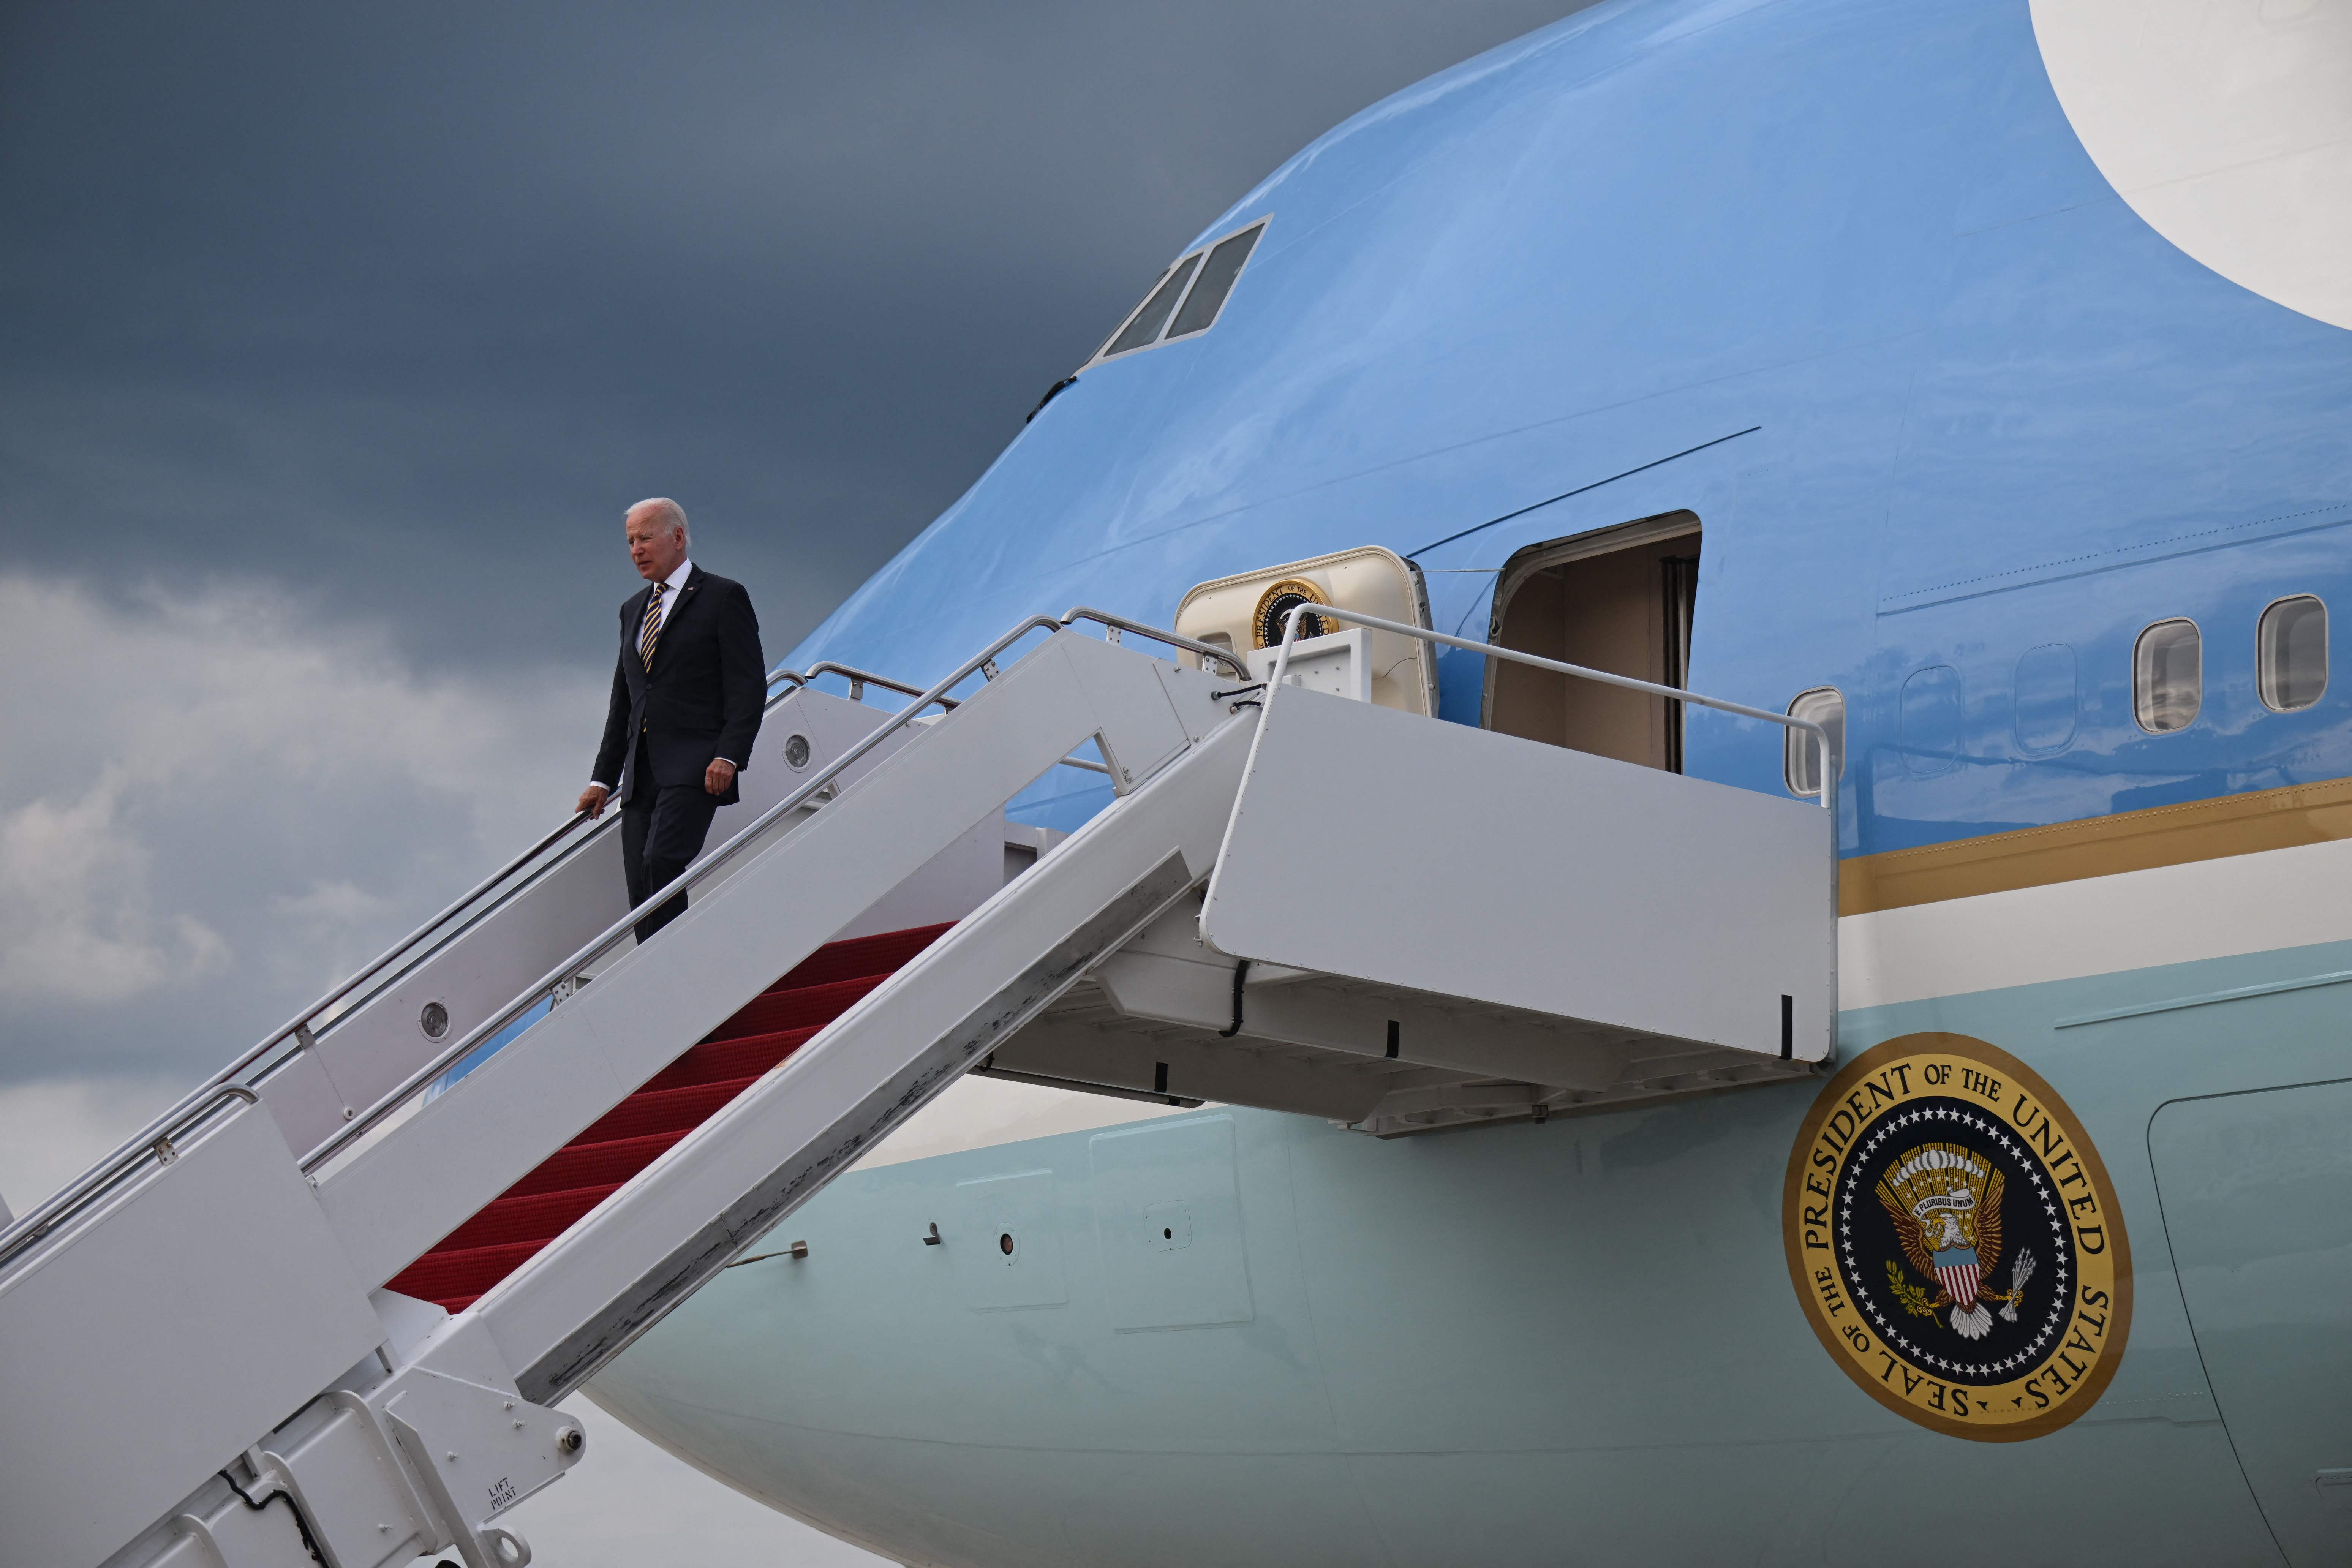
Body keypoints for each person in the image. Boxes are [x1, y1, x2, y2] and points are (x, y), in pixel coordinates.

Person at [579, 498, 765, 942]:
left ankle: (677, 962)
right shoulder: (632, 610)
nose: (636, 550)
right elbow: (624, 702)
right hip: (640, 772)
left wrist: (730, 756)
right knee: (640, 889)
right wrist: (602, 779)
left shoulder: (723, 597)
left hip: (697, 765)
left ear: (678, 538)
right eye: (630, 542)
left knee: (661, 860)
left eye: (645, 538)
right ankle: (656, 972)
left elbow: (748, 686)